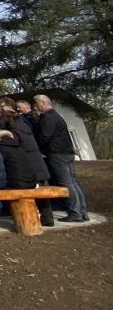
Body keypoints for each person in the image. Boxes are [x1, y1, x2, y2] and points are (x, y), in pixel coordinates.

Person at [34, 94, 89, 222]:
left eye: (36, 103)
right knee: (73, 182)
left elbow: (44, 136)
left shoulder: (48, 118)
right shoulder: (57, 116)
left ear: (43, 103)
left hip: (58, 154)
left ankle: (75, 212)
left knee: (66, 183)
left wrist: (37, 148)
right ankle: (83, 210)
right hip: (67, 153)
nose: (35, 106)